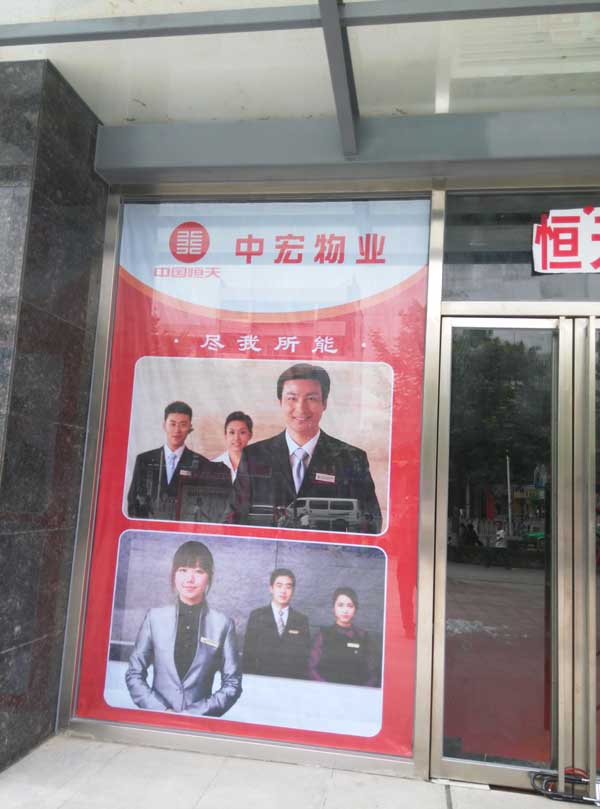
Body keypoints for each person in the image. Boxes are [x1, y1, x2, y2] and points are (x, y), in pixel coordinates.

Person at [233, 364, 382, 533]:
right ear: (280, 402)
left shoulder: (352, 458)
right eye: (292, 398)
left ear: (324, 403)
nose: (301, 409)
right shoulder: (253, 456)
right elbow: (233, 518)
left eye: (311, 399)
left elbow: (371, 522)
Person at [125, 541, 242, 716]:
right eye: (183, 570)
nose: (189, 579)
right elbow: (134, 674)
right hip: (157, 720)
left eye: (198, 571)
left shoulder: (223, 624)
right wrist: (161, 710)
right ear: (174, 574)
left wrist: (194, 715)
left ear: (209, 577)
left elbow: (233, 684)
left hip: (198, 724)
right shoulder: (154, 618)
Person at [126, 401, 231, 523]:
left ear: (190, 428)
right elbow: (133, 502)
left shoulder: (202, 464)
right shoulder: (144, 460)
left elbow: (205, 507)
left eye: (183, 425)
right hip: (149, 530)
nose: (177, 430)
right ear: (164, 425)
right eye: (172, 424)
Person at [242, 568, 310, 679]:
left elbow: (304, 660)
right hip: (261, 680)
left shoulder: (301, 620)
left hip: (291, 682)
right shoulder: (257, 616)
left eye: (288, 587)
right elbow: (248, 656)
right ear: (271, 588)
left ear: (293, 590)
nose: (283, 591)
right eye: (279, 586)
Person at [308, 587, 379, 687]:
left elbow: (373, 674)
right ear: (333, 609)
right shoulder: (322, 635)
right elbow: (311, 669)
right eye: (340, 605)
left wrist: (360, 692)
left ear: (355, 609)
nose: (345, 610)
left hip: (356, 692)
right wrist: (327, 689)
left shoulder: (364, 637)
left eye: (350, 606)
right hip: (326, 691)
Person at [212, 411, 253, 482]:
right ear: (225, 435)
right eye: (232, 432)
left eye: (242, 432)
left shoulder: (260, 465)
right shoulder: (213, 465)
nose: (236, 438)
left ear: (250, 435)